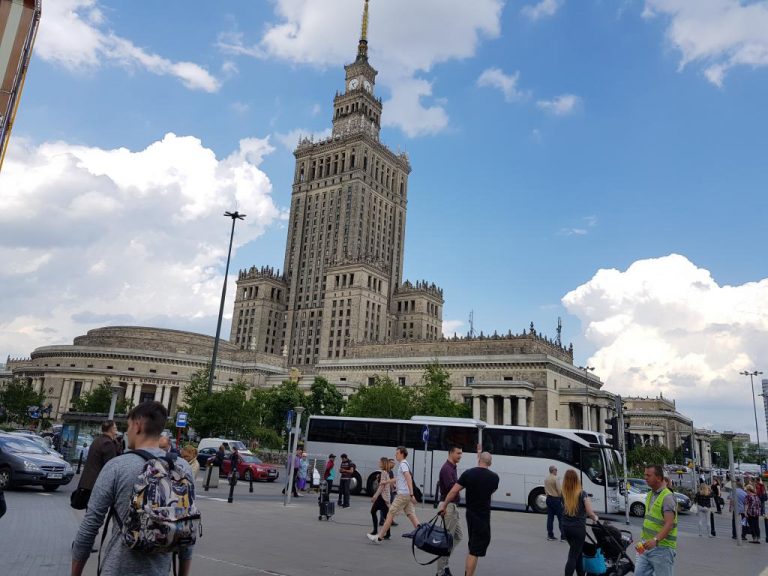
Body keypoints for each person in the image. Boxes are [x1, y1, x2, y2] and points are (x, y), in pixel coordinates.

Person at [71, 401, 196, 576]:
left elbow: (90, 526)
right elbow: (187, 527)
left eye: (128, 426)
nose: (127, 432)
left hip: (118, 569)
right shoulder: (182, 467)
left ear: (138, 426)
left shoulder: (117, 466)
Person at [437, 451, 498, 576]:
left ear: (479, 460)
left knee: (473, 546)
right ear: (490, 463)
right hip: (483, 517)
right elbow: (492, 490)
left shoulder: (468, 473)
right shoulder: (494, 477)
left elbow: (453, 491)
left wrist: (444, 505)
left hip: (470, 515)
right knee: (475, 550)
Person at [368, 446, 420, 544]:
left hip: (403, 495)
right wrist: (386, 482)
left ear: (402, 454)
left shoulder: (403, 464)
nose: (395, 455)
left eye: (397, 453)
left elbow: (408, 478)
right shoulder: (405, 464)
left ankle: (379, 537)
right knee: (411, 514)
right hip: (406, 494)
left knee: (390, 514)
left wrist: (412, 494)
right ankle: (422, 534)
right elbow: (399, 478)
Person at [635, 465, 678, 576]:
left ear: (658, 478)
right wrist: (642, 542)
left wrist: (655, 540)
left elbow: (669, 524)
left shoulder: (668, 497)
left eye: (648, 475)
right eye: (645, 475)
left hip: (662, 548)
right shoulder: (650, 494)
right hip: (645, 545)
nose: (645, 478)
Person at [562, 469, 599, 576]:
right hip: (578, 529)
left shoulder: (563, 494)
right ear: (576, 480)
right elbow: (589, 512)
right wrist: (595, 517)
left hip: (566, 528)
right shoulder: (582, 494)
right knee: (573, 555)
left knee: (577, 553)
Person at [75, 420, 119, 509]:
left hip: (88, 483)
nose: (116, 430)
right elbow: (110, 466)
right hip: (97, 484)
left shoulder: (97, 440)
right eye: (115, 428)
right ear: (111, 429)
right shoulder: (108, 443)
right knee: (95, 511)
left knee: (90, 511)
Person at [436, 445, 464, 576]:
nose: (460, 456)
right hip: (448, 507)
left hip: (452, 506)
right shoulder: (447, 469)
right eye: (458, 453)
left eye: (461, 453)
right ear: (450, 453)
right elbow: (452, 488)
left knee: (458, 536)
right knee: (447, 541)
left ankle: (445, 563)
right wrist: (465, 483)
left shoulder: (452, 467)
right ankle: (440, 571)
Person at [369, 457, 393, 540]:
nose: (379, 463)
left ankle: (376, 531)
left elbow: (381, 486)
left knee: (373, 512)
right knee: (386, 516)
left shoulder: (383, 472)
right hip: (384, 497)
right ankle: (387, 533)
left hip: (382, 497)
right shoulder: (386, 472)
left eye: (380, 462)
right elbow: (387, 484)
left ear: (383, 463)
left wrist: (375, 496)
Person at [545, 464, 564, 541]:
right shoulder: (556, 478)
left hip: (548, 499)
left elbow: (545, 489)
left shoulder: (546, 478)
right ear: (553, 470)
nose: (557, 471)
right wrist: (562, 498)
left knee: (550, 518)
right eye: (556, 470)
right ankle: (563, 536)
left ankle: (550, 535)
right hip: (556, 499)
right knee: (561, 518)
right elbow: (559, 490)